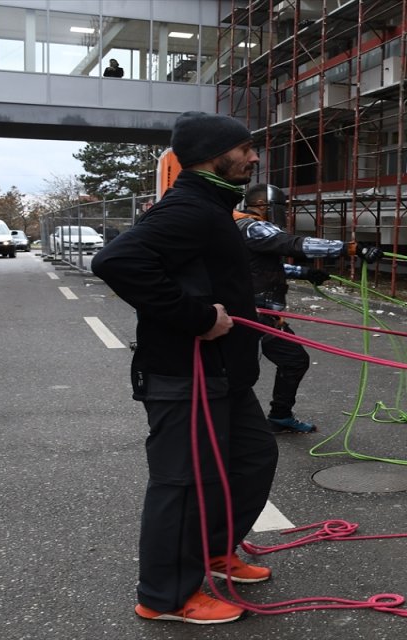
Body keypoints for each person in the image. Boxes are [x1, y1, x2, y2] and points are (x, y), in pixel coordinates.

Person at [91, 111, 278, 625]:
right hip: (186, 374)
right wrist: (195, 317)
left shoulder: (212, 207)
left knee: (253, 460)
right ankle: (165, 596)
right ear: (211, 155)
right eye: (244, 149)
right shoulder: (190, 207)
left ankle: (213, 553)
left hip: (226, 375)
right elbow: (115, 262)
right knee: (183, 483)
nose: (254, 156)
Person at [234, 183, 381, 434]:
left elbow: (259, 267)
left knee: (293, 360)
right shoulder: (254, 227)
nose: (284, 213)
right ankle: (233, 426)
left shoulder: (242, 227)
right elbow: (294, 244)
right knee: (241, 372)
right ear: (263, 206)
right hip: (255, 315)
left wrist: (304, 272)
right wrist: (348, 248)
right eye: (280, 208)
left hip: (265, 315)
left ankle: (279, 416)